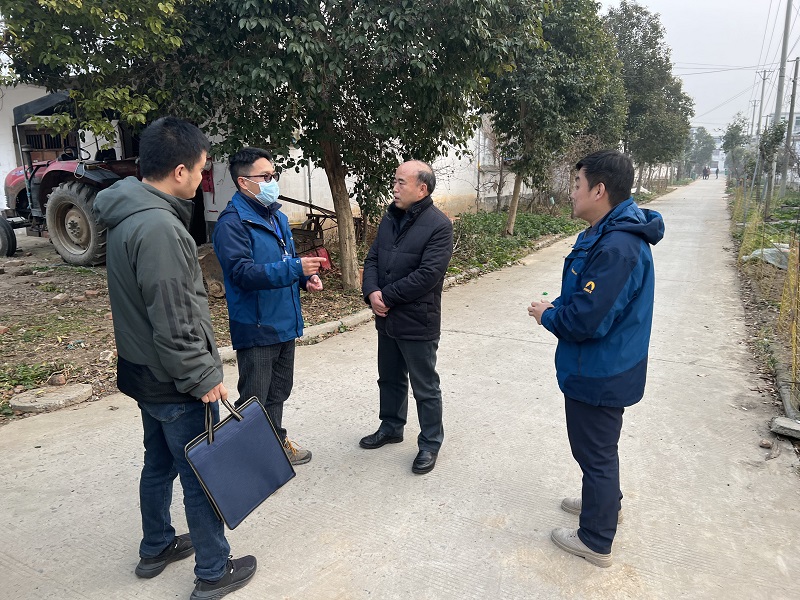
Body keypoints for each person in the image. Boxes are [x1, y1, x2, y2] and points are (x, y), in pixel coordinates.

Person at [94, 117, 256, 600]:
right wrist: (202, 375)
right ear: (180, 171)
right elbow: (174, 314)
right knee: (199, 473)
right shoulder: (159, 227)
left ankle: (156, 545)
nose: (203, 180)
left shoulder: (128, 213)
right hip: (174, 379)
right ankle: (213, 571)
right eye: (202, 170)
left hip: (144, 371)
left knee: (159, 461)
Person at [528, 150, 664, 567]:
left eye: (576, 184)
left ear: (599, 190)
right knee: (598, 450)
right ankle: (604, 505)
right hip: (604, 364)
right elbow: (589, 296)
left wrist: (548, 315)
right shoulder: (606, 232)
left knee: (595, 453)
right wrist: (559, 306)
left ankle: (596, 538)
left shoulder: (618, 246)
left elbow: (586, 321)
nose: (572, 193)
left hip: (601, 369)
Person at [212, 147, 325, 465]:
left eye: (274, 175)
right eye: (265, 176)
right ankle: (248, 463)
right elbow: (242, 273)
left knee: (278, 392)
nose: (273, 181)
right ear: (243, 182)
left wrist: (304, 279)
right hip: (257, 325)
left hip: (284, 321)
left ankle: (274, 445)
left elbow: (286, 260)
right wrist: (294, 269)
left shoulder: (276, 217)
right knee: (254, 399)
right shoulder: (232, 224)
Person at [360, 160, 453, 475]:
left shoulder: (439, 225)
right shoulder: (390, 218)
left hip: (417, 319)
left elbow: (428, 275)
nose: (395, 188)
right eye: (395, 181)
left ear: (422, 188)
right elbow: (373, 258)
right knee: (389, 377)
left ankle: (430, 443)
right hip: (387, 318)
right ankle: (391, 426)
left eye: (401, 182)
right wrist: (372, 292)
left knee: (425, 386)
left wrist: (386, 296)